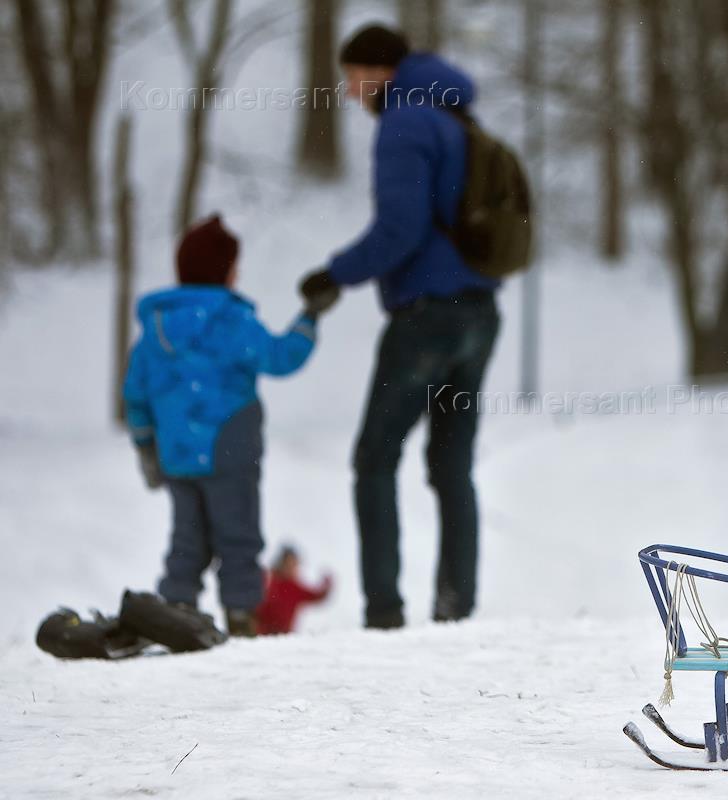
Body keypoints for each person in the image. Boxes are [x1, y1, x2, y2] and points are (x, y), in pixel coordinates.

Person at [299, 25, 500, 629]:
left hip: (426, 320)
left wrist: (335, 273)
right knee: (452, 465)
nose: (349, 90)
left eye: (352, 76)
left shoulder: (405, 122)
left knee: (375, 457)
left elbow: (401, 230)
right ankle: (456, 606)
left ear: (379, 71)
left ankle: (384, 611)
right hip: (478, 315)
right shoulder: (456, 117)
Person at [124, 216, 340, 637]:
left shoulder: (156, 330)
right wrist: (310, 317)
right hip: (230, 452)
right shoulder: (232, 321)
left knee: (188, 540)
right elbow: (280, 358)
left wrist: (146, 448)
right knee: (238, 538)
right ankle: (242, 619)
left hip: (178, 458)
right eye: (233, 266)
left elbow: (135, 395)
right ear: (222, 271)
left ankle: (175, 608)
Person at [256, 546, 333, 635]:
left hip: (284, 635)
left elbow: (315, 596)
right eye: (288, 564)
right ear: (280, 563)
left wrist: (326, 588)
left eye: (294, 564)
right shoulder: (269, 580)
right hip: (262, 633)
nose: (291, 568)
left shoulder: (295, 587)